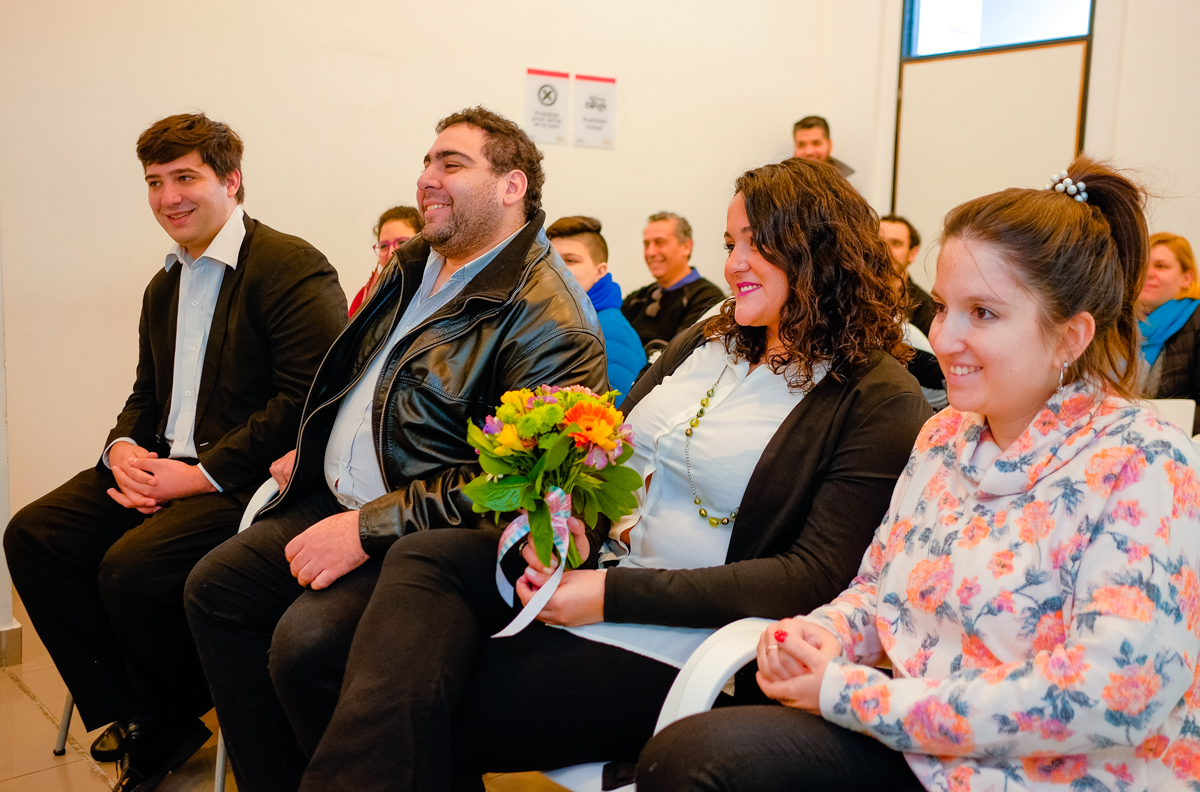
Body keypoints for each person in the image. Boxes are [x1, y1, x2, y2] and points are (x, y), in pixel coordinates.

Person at [279, 157, 932, 792]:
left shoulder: (878, 397)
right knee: (426, 563)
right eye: (731, 242)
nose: (733, 264)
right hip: (596, 574)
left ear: (820, 252)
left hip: (692, 636)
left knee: (418, 699)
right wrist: (570, 529)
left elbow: (811, 576)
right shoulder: (709, 339)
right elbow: (605, 450)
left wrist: (602, 597)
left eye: (757, 245)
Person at [637, 157, 1200, 792]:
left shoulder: (1141, 459)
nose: (946, 337)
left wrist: (852, 693)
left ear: (1070, 336)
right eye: (942, 307)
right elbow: (877, 590)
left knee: (705, 765)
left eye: (982, 313)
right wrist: (819, 635)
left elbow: (1113, 694)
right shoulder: (945, 437)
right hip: (916, 745)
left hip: (1052, 773)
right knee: (690, 755)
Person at [183, 107, 608, 792]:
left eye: (451, 164)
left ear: (512, 186)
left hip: (429, 536)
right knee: (215, 589)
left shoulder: (549, 315)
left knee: (308, 647)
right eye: (427, 162)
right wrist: (312, 446)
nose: (427, 179)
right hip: (340, 495)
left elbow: (520, 485)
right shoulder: (416, 262)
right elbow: (359, 381)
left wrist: (366, 528)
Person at [2, 113, 347, 792]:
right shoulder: (164, 284)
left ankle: (164, 713)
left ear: (232, 180)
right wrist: (123, 448)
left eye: (185, 177)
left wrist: (200, 477)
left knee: (129, 570)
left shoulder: (289, 264)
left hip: (249, 482)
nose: (168, 198)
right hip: (165, 464)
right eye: (155, 182)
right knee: (34, 536)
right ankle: (142, 712)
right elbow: (144, 395)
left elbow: (308, 397)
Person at [547, 215, 646, 401]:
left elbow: (613, 412)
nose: (556, 268)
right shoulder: (555, 318)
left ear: (600, 271)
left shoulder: (611, 330)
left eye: (570, 260)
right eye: (551, 260)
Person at [621, 211, 725, 352]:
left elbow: (680, 356)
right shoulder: (637, 299)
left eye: (659, 242)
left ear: (687, 247)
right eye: (646, 244)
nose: (650, 252)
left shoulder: (707, 297)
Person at [881, 213, 946, 409]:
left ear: (912, 253)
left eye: (896, 243)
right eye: (877, 240)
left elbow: (940, 377)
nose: (884, 249)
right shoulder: (847, 294)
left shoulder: (927, 307)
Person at [1139, 232, 1200, 433]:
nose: (1148, 273)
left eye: (1161, 266)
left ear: (1187, 278)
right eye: (1142, 265)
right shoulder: (1117, 324)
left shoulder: (1197, 320)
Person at [348, 206, 423, 317]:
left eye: (402, 242)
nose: (391, 253)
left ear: (423, 244)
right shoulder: (363, 299)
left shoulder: (438, 292)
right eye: (383, 245)